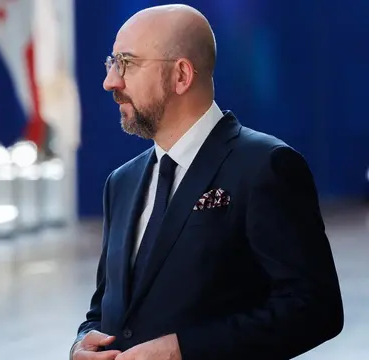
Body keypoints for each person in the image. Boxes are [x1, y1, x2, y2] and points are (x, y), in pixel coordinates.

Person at [71, 5, 343, 360]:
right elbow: (105, 307)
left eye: (126, 63)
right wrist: (84, 341)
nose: (111, 81)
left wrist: (183, 349)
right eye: (112, 62)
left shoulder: (265, 166)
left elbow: (315, 309)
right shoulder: (121, 183)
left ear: (181, 75)